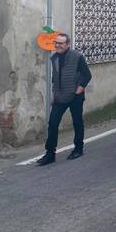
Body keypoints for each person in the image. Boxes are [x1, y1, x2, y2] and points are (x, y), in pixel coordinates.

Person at [37, 33, 92, 166]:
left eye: (61, 43)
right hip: (60, 96)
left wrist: (79, 89)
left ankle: (78, 148)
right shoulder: (54, 58)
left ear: (68, 44)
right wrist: (53, 95)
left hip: (75, 96)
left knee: (77, 122)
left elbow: (87, 75)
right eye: (56, 42)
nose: (57, 45)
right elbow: (55, 79)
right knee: (53, 123)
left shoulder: (77, 57)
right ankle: (50, 154)